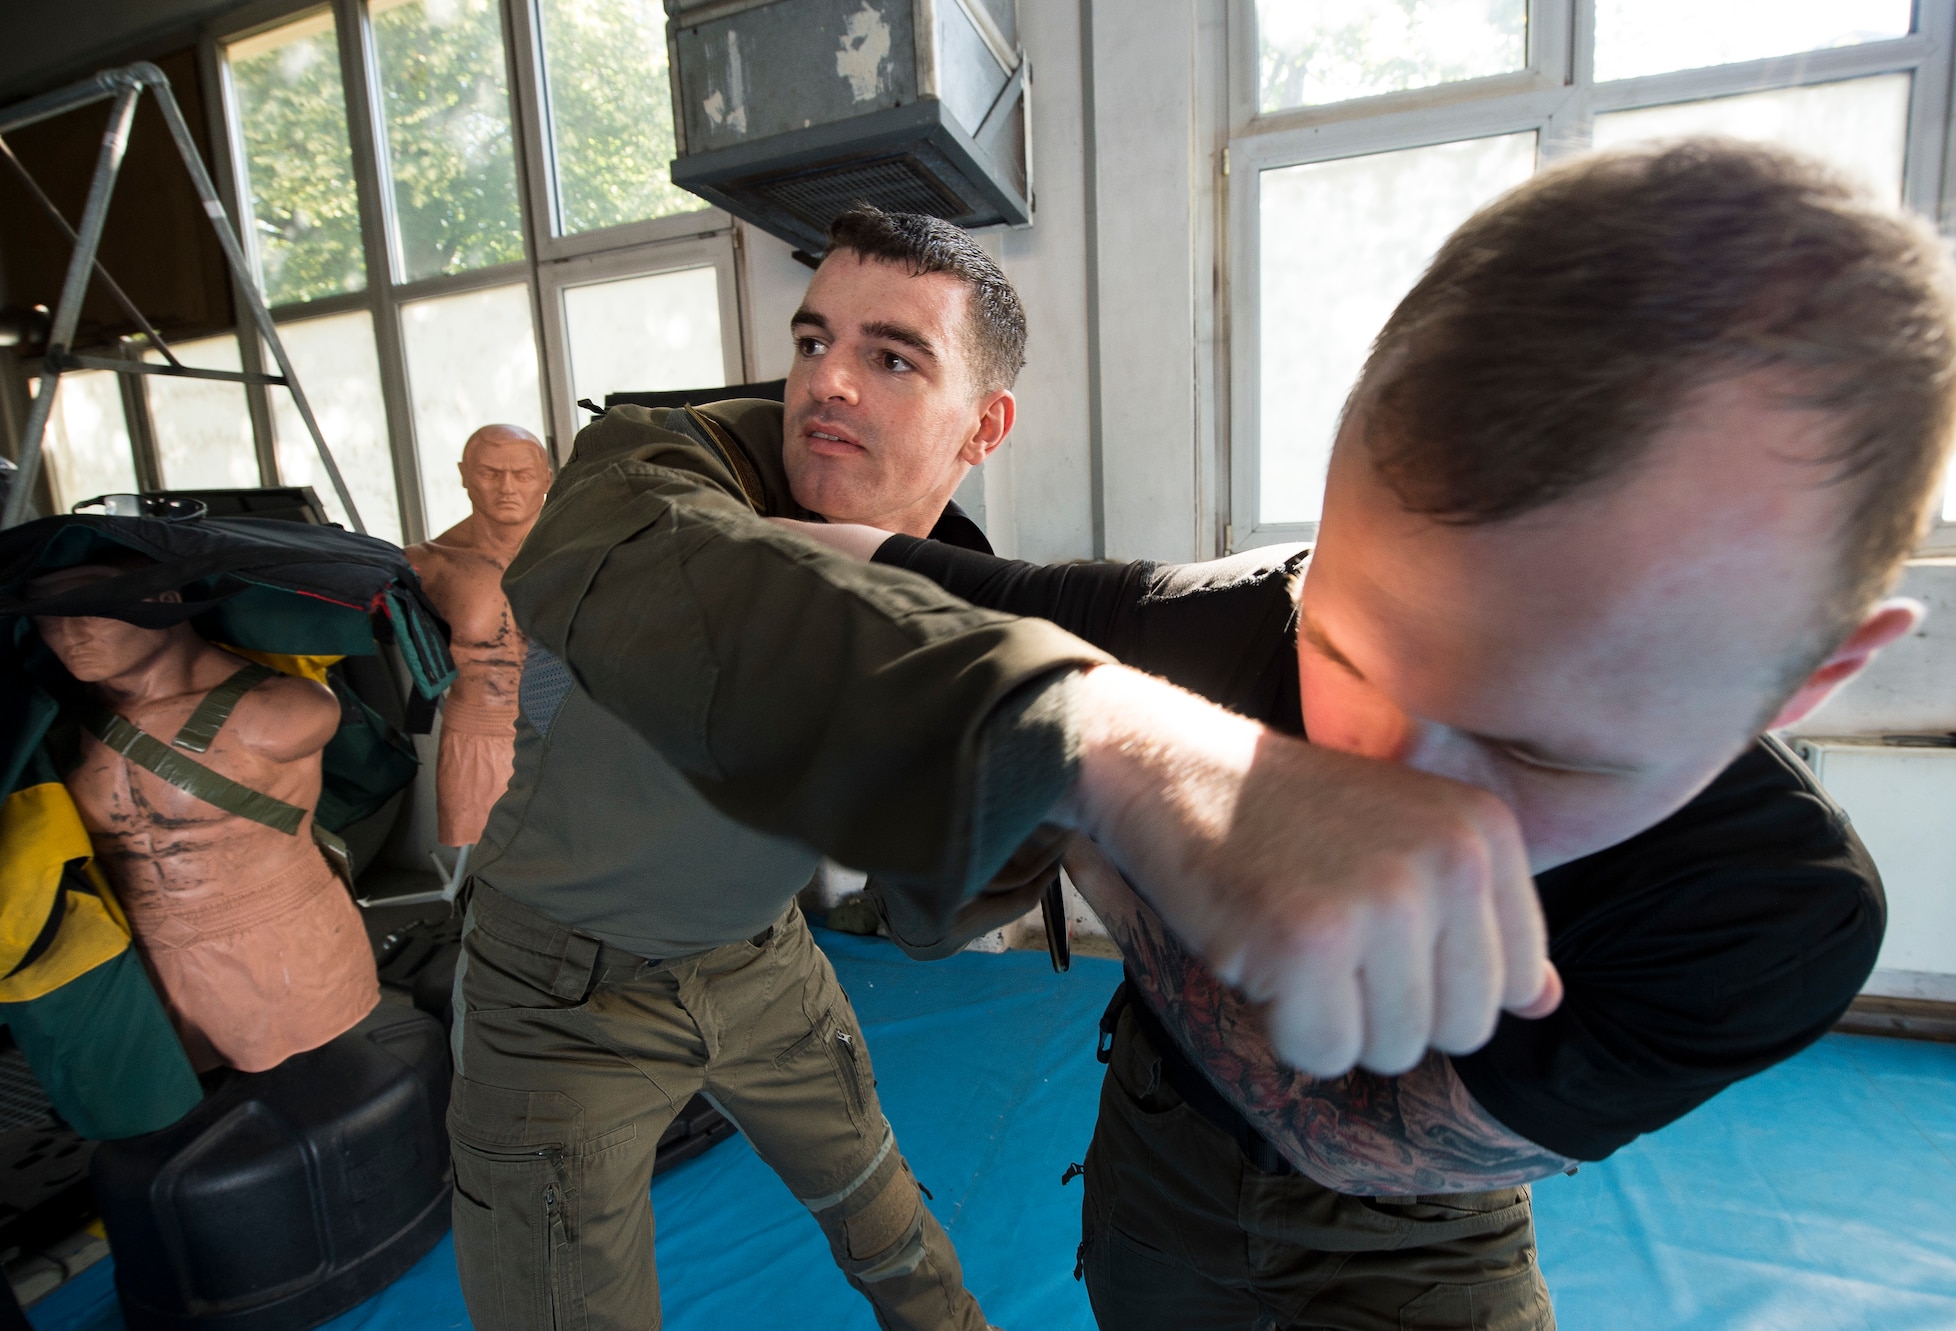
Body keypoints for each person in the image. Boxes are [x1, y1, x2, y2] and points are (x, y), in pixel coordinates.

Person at [778, 139, 1956, 1328]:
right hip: (1154, 1171)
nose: (1399, 787)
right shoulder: (1227, 613)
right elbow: (820, 570)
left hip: (1415, 1257)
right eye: (1346, 655)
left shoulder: (1775, 901)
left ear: (1808, 676)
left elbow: (1348, 1136)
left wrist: (1101, 775)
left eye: (1539, 749)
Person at [454, 203, 1555, 1331]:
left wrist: (1102, 821)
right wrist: (1068, 723)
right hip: (557, 990)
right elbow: (677, 584)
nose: (826, 381)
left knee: (891, 1229)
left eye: (890, 356)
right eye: (809, 339)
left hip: (754, 954)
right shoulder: (654, 470)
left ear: (984, 428)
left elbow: (930, 915)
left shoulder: (961, 586)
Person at [29, 562, 380, 1073]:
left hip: (284, 950)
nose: (69, 635)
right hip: (142, 963)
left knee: (321, 1093)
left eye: (89, 611)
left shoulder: (282, 710)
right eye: (48, 620)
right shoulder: (52, 727)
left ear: (165, 602)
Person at [403, 425, 552, 862]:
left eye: (522, 475)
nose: (507, 487)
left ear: (546, 478)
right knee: (490, 869)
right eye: (490, 473)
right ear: (465, 474)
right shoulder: (426, 562)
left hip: (569, 728)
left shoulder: (581, 552)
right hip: (479, 734)